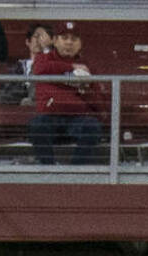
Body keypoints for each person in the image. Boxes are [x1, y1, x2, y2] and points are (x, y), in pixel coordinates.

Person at [28, 22, 101, 165]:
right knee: (37, 125)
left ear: (80, 43)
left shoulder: (87, 66)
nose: (69, 42)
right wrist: (71, 67)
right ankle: (48, 169)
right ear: (55, 41)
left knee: (92, 126)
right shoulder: (44, 58)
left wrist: (85, 89)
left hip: (77, 119)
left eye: (74, 39)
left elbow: (98, 100)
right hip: (50, 117)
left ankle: (76, 170)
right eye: (64, 38)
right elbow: (40, 68)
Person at [0, 23, 52, 106]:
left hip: (40, 98)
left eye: (43, 37)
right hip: (19, 94)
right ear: (28, 42)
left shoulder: (54, 63)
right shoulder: (19, 65)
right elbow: (6, 88)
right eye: (36, 36)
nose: (40, 40)